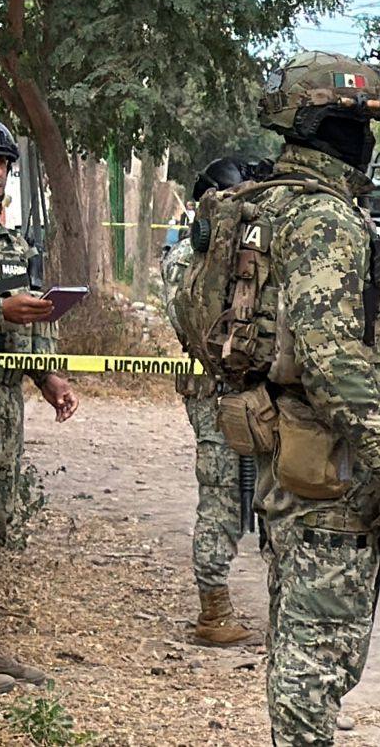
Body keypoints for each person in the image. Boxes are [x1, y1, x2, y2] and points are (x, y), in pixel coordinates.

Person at [180, 51, 380, 745]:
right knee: (320, 650)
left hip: (281, 445)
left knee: (295, 632)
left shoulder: (261, 204)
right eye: (361, 123)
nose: (367, 139)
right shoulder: (324, 218)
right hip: (325, 460)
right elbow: (329, 356)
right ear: (331, 127)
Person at [0, 114, 79, 693]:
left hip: (4, 402)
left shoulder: (15, 242)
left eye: (2, 163)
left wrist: (49, 376)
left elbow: (34, 318)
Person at [160, 158, 262, 648]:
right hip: (214, 393)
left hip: (246, 390)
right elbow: (194, 321)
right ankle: (213, 610)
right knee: (222, 495)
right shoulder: (188, 257)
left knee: (255, 492)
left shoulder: (244, 253)